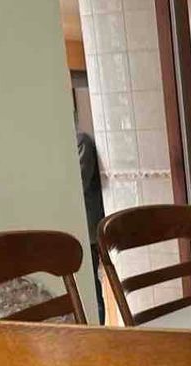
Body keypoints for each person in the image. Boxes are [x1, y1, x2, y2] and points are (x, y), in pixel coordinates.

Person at [77, 131, 105, 324]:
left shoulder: (81, 143)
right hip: (80, 232)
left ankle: (99, 329)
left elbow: (78, 185)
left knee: (92, 288)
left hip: (88, 233)